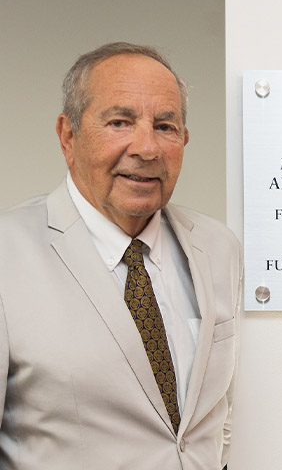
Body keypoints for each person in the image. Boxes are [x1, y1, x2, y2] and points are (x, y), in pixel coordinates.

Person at [0, 42, 242, 469]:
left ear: (185, 138)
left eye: (165, 126)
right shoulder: (8, 254)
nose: (146, 148)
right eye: (119, 122)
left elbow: (215, 419)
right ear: (68, 135)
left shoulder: (218, 246)